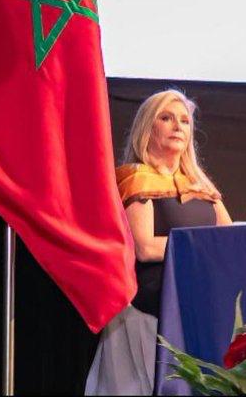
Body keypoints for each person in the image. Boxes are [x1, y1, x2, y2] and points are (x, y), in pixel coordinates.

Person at [85, 89, 231, 395]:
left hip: (199, 301)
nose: (178, 126)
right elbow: (146, 248)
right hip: (152, 304)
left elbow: (227, 237)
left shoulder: (201, 186)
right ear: (148, 129)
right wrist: (196, 247)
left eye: (184, 120)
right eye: (166, 118)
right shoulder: (138, 178)